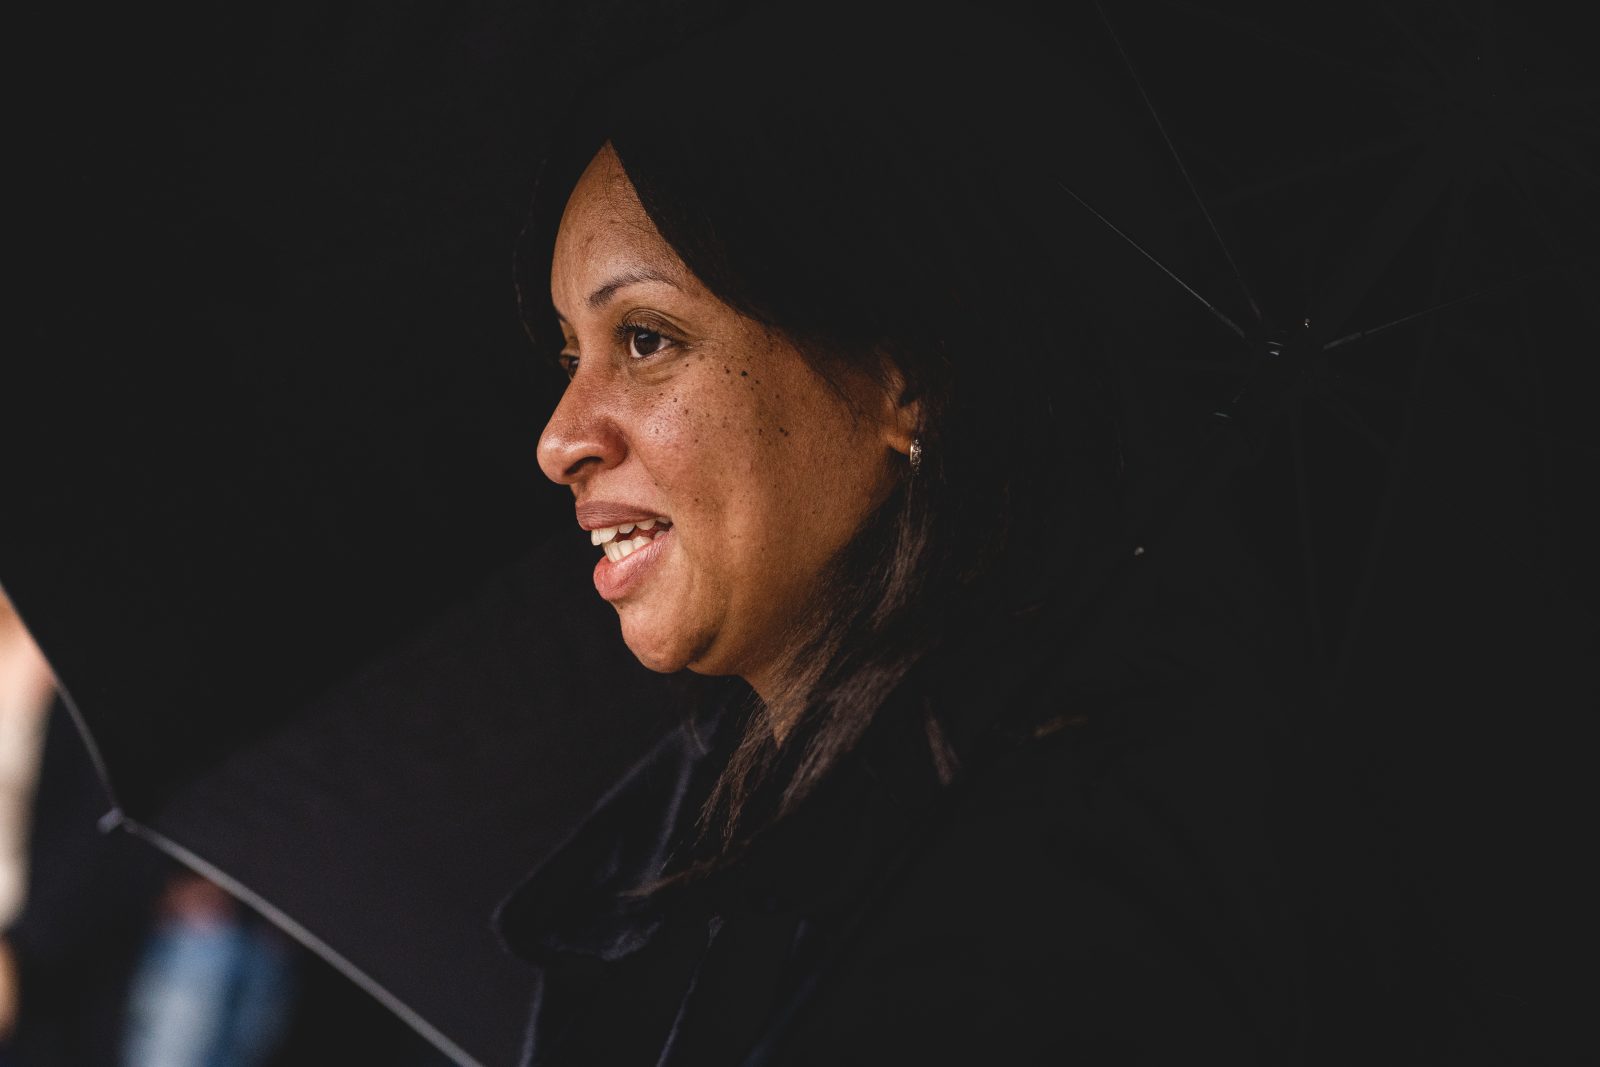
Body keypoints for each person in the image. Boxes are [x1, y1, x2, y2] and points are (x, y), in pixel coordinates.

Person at [494, 2, 1483, 1064]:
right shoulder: (694, 846)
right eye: (571, 354)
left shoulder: (1069, 901)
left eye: (646, 338)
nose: (558, 440)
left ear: (903, 377)